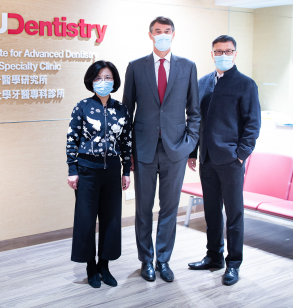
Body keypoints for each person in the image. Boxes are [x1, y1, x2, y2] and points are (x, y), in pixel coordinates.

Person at [123, 16, 200, 282]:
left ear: (174, 35)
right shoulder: (135, 67)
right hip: (143, 149)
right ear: (150, 35)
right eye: (158, 31)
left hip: (175, 150)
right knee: (143, 209)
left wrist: (190, 145)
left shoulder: (188, 67)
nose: (162, 35)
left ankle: (163, 260)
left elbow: (195, 111)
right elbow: (127, 112)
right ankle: (146, 260)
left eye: (167, 31)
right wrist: (128, 152)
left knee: (169, 208)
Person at [187, 35, 261, 286]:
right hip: (207, 159)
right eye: (218, 51)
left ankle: (233, 263)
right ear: (212, 53)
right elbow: (196, 121)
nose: (223, 55)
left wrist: (241, 155)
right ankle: (214, 257)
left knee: (234, 213)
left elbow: (252, 124)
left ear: (235, 53)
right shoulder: (203, 82)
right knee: (211, 212)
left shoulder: (245, 84)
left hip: (231, 160)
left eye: (228, 51)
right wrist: (192, 152)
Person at [66, 60, 132, 289]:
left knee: (111, 219)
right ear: (91, 81)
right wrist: (72, 170)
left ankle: (104, 265)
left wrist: (127, 170)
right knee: (85, 220)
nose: (103, 82)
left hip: (112, 170)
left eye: (107, 78)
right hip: (87, 171)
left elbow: (126, 142)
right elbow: (71, 140)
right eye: (98, 78)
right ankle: (90, 267)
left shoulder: (121, 109)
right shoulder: (82, 107)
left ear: (114, 81)